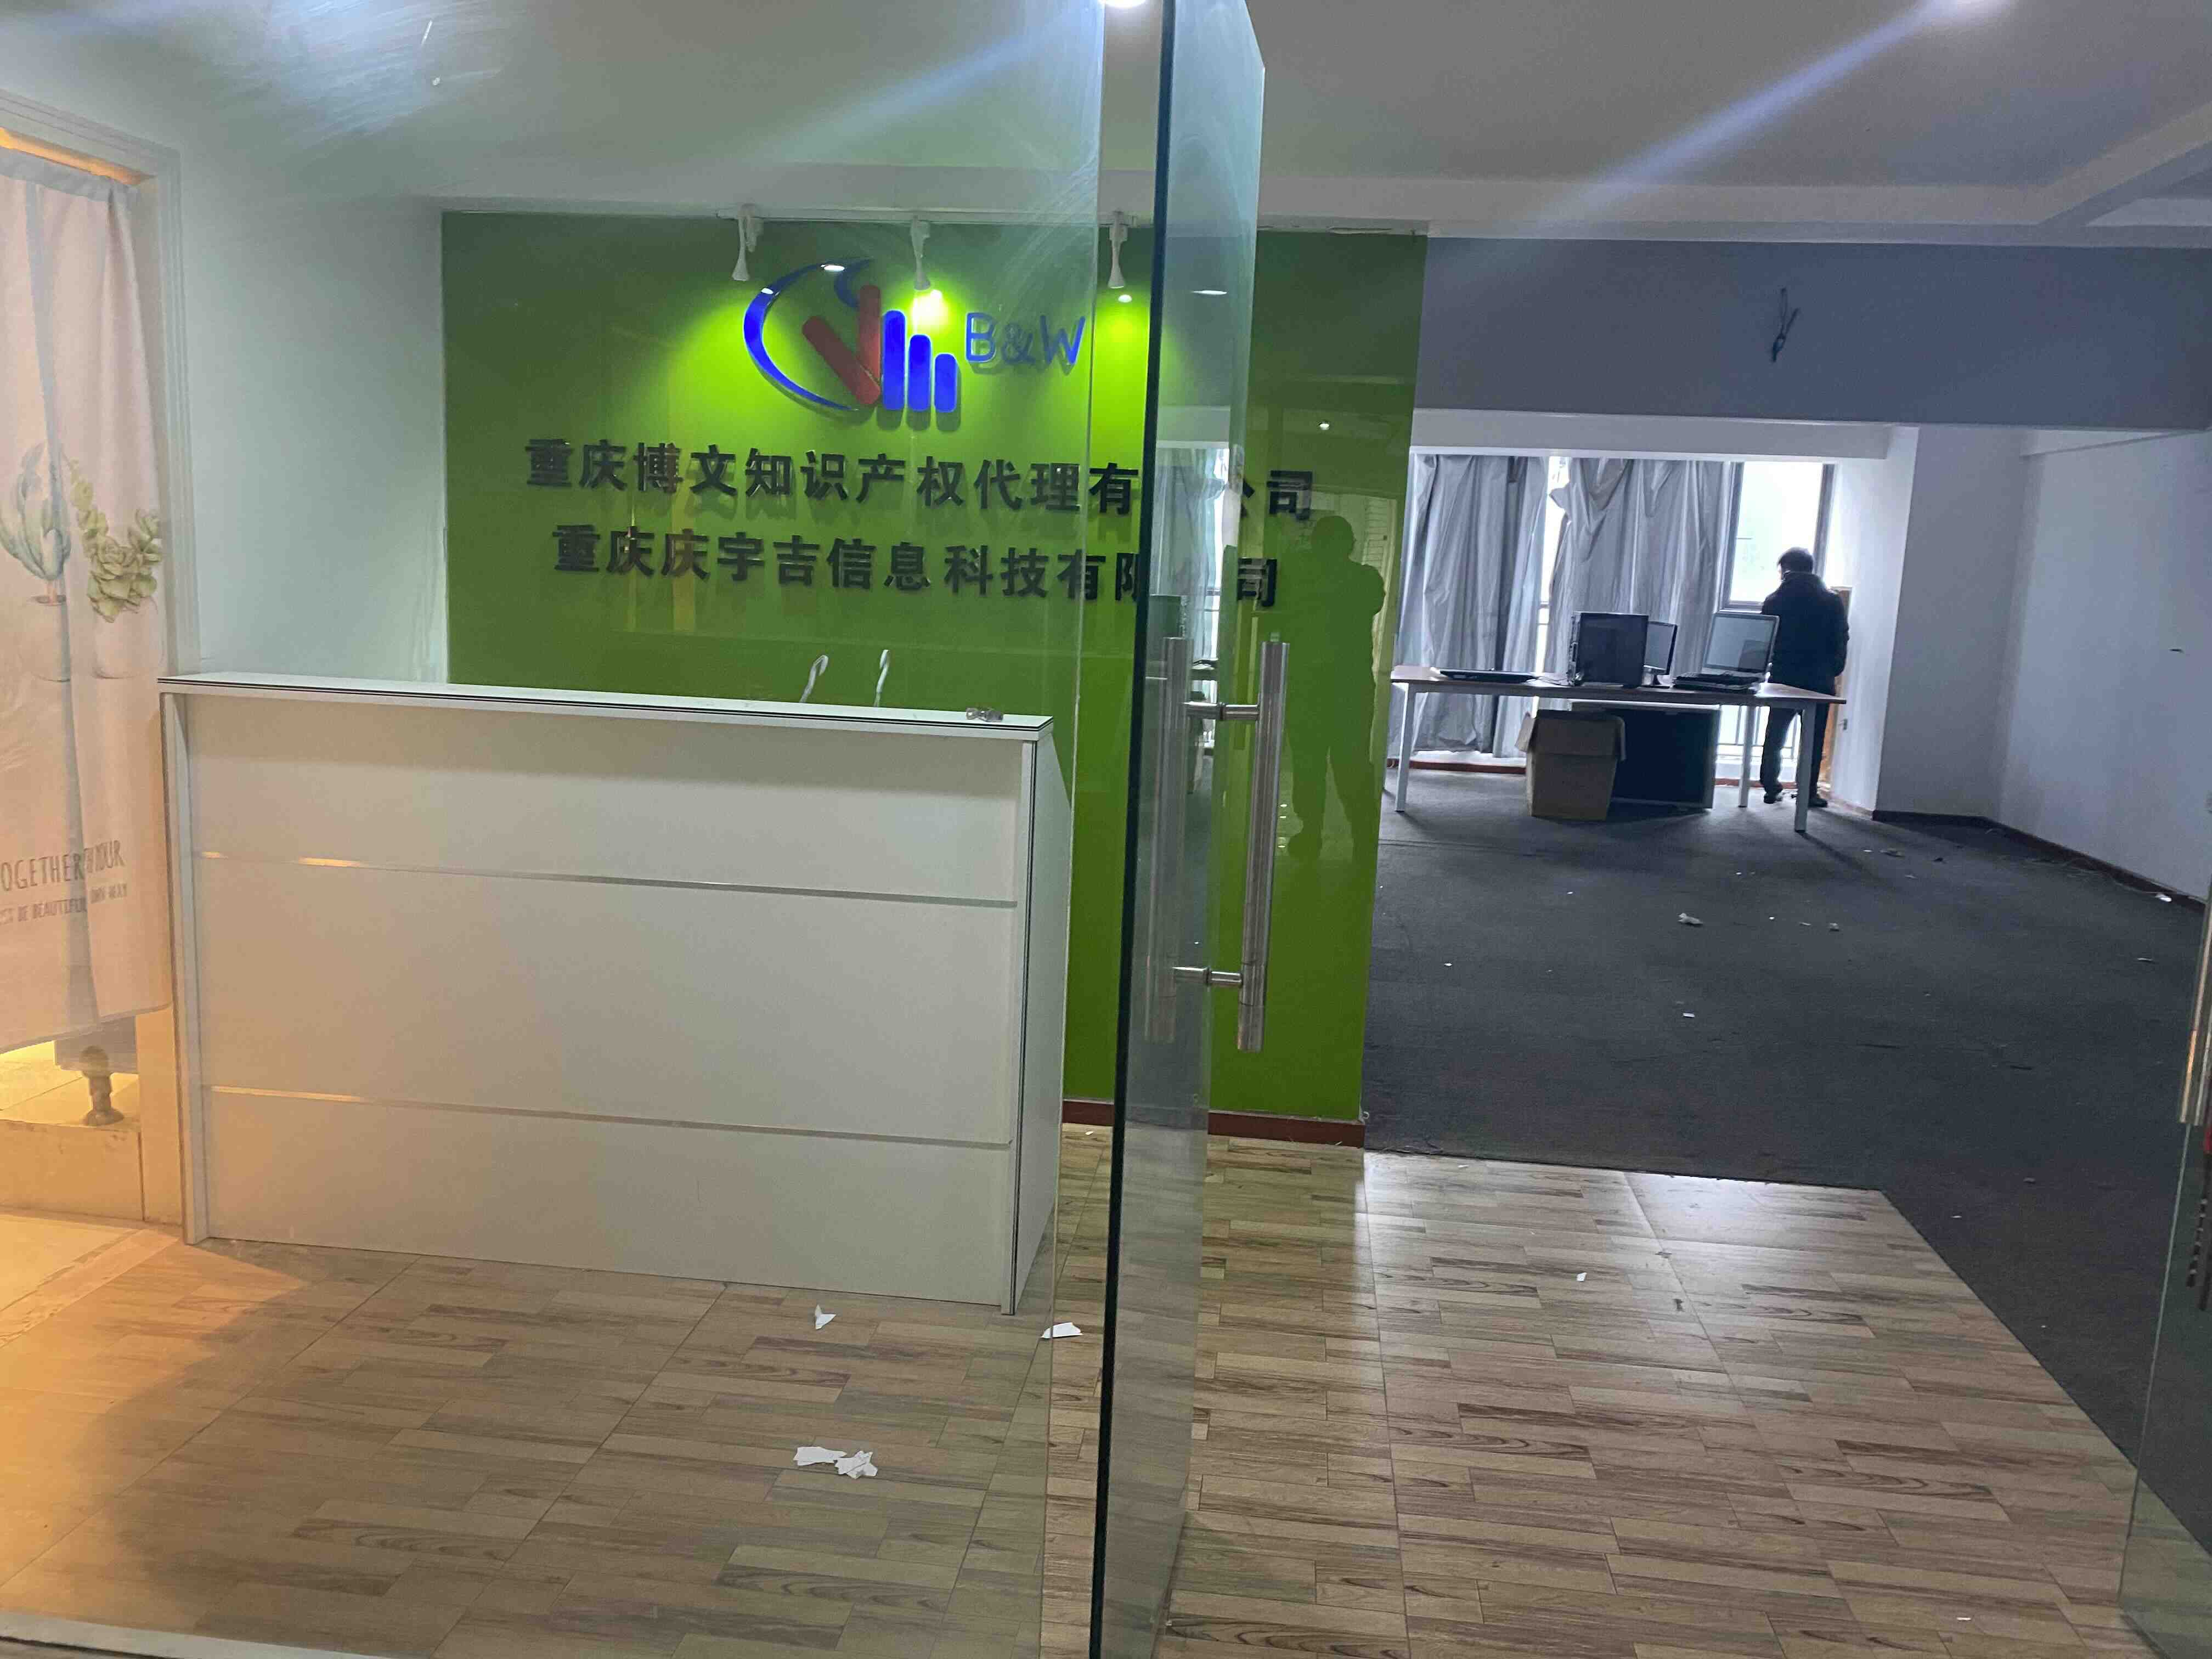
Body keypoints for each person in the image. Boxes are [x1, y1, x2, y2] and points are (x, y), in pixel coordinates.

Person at [1758, 546, 1847, 807]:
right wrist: (1834, 670)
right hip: (1819, 678)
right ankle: (1808, 792)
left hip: (1784, 676)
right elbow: (1841, 637)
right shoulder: (1831, 600)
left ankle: (1770, 786)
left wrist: (1765, 668)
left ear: (1786, 570)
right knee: (1813, 738)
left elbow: (1764, 639)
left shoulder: (1774, 600)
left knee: (1776, 734)